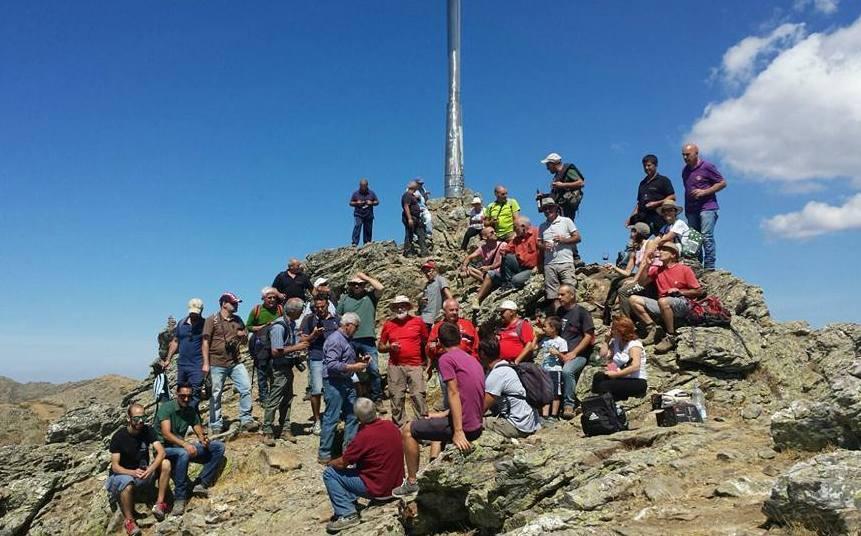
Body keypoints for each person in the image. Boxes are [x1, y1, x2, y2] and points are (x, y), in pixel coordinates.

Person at [393, 323, 485, 498]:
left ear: (439, 342)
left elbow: (453, 392)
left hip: (465, 428)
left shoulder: (446, 359)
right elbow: (469, 396)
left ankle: (412, 482)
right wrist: (443, 414)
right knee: (430, 421)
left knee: (407, 430)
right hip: (476, 422)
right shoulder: (472, 359)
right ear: (459, 338)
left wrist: (458, 431)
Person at [321, 398, 404, 533]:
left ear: (358, 417)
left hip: (379, 489)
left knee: (330, 473)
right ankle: (352, 503)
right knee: (358, 465)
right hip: (397, 485)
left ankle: (347, 514)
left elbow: (343, 463)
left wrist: (330, 462)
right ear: (375, 411)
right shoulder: (391, 426)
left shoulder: (363, 436)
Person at [157, 383, 225, 516]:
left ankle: (201, 483)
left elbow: (197, 426)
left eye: (189, 396)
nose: (186, 399)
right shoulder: (166, 408)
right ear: (177, 394)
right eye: (183, 396)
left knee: (218, 447)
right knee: (183, 453)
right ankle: (180, 498)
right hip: (165, 450)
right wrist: (185, 444)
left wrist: (203, 439)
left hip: (180, 447)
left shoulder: (190, 410)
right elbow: (166, 433)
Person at [106, 403, 172, 535]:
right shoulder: (119, 437)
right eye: (136, 418)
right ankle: (129, 521)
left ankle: (159, 504)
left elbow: (161, 452)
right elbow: (115, 466)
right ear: (128, 418)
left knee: (166, 464)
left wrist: (150, 469)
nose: (140, 421)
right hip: (122, 475)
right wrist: (132, 472)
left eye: (143, 418)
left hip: (142, 473)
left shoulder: (147, 430)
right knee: (127, 483)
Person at [630, 242, 704, 353]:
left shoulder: (684, 269)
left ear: (673, 255)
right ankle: (653, 329)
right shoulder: (657, 270)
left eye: (664, 250)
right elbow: (641, 284)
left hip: (683, 304)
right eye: (660, 249)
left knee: (663, 301)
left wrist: (680, 291)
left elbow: (698, 291)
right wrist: (647, 265)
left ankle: (670, 336)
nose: (660, 252)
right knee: (633, 299)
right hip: (663, 304)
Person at [203, 292, 258, 434]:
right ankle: (215, 424)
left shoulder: (238, 320)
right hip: (216, 362)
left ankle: (246, 419)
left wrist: (243, 336)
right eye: (233, 303)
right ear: (224, 304)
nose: (236, 305)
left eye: (236, 303)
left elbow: (244, 341)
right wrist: (206, 363)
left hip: (235, 361)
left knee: (245, 387)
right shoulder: (212, 320)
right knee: (215, 393)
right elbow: (205, 342)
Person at [319, 312, 369, 464]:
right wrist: (355, 367)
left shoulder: (346, 340)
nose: (357, 330)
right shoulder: (335, 340)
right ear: (348, 325)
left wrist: (360, 360)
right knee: (332, 417)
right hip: (334, 382)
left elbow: (344, 360)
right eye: (356, 326)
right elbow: (332, 364)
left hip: (346, 381)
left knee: (353, 415)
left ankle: (349, 452)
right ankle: (325, 453)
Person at [337, 272, 386, 413]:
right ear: (350, 286)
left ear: (364, 285)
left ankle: (377, 398)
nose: (357, 286)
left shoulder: (370, 297)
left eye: (360, 284)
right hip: (349, 340)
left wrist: (364, 277)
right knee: (348, 369)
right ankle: (351, 400)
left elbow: (381, 288)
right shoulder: (345, 299)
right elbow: (338, 317)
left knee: (373, 370)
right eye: (354, 284)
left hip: (368, 339)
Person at [262, 298, 308, 446]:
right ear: (294, 311)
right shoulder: (279, 327)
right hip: (278, 368)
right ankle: (267, 430)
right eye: (301, 309)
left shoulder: (291, 324)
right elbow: (276, 351)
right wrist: (297, 348)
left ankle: (285, 429)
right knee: (274, 399)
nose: (302, 312)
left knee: (287, 398)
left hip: (287, 366)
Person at [378, 296, 429, 427]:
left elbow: (426, 342)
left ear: (408, 307)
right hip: (395, 366)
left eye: (403, 306)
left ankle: (423, 427)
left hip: (415, 365)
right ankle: (400, 427)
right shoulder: (388, 325)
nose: (400, 309)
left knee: (418, 396)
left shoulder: (418, 322)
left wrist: (428, 362)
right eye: (397, 306)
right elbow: (380, 347)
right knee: (396, 397)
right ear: (394, 309)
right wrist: (390, 347)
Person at [480, 338, 541, 439]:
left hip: (517, 426)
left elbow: (483, 407)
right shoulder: (509, 367)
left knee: (474, 422)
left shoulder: (497, 374)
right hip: (531, 423)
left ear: (482, 354)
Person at [427, 299, 479, 409]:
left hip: (466, 364)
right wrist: (434, 348)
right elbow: (429, 347)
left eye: (456, 310)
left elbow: (476, 345)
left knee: (467, 391)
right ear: (444, 311)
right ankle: (450, 414)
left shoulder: (467, 324)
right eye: (451, 310)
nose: (455, 312)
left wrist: (475, 360)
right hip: (447, 365)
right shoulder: (438, 327)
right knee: (449, 392)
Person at [682, 143, 727, 271]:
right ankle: (696, 265)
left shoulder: (707, 166)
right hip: (692, 209)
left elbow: (722, 183)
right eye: (683, 155)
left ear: (696, 153)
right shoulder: (685, 171)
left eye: (688, 154)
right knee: (694, 237)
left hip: (707, 207)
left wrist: (704, 192)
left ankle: (709, 266)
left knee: (706, 235)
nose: (685, 157)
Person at [300, 294, 341, 435]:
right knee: (316, 390)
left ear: (328, 305)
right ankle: (317, 421)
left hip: (334, 358)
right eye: (317, 307)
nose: (320, 309)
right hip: (316, 357)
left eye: (322, 306)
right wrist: (314, 335)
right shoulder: (309, 319)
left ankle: (332, 418)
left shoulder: (337, 319)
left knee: (333, 389)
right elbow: (303, 340)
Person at [555, 284, 595, 419]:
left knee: (567, 371)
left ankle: (569, 404)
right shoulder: (560, 311)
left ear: (572, 295)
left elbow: (588, 336)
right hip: (561, 352)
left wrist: (574, 353)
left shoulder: (582, 312)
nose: (559, 297)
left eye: (562, 294)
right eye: (558, 294)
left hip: (579, 354)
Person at [540, 152, 586, 264]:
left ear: (553, 163)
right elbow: (556, 194)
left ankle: (575, 258)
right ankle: (571, 257)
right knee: (562, 230)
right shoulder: (557, 175)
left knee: (567, 230)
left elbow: (581, 183)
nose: (547, 168)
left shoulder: (567, 170)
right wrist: (544, 196)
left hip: (567, 205)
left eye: (548, 165)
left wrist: (562, 185)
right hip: (560, 206)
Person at [537, 197, 580, 312]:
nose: (547, 210)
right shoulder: (542, 226)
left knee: (570, 292)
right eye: (545, 209)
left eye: (550, 208)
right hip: (549, 264)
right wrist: (544, 246)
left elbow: (577, 238)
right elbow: (538, 243)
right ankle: (558, 318)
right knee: (553, 296)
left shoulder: (566, 221)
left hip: (565, 262)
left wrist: (563, 240)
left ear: (556, 208)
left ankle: (572, 317)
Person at [603, 223, 651, 324]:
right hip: (640, 278)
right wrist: (614, 267)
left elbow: (644, 263)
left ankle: (625, 321)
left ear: (640, 233)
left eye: (633, 231)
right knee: (616, 280)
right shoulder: (635, 250)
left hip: (648, 280)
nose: (631, 234)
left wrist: (634, 280)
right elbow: (627, 272)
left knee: (622, 291)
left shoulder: (649, 243)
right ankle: (608, 309)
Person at [592, 316, 648, 401]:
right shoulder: (616, 342)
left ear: (620, 331)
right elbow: (603, 355)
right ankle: (597, 401)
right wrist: (606, 341)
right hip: (621, 378)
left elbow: (635, 366)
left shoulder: (634, 345)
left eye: (613, 328)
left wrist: (616, 374)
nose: (610, 330)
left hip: (636, 380)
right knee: (598, 376)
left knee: (605, 385)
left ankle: (604, 403)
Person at [163, 299, 205, 409]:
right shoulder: (181, 323)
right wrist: (168, 359)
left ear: (201, 311)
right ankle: (187, 416)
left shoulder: (205, 325)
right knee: (182, 394)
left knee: (195, 393)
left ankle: (190, 415)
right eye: (192, 312)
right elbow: (175, 341)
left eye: (196, 313)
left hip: (197, 365)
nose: (194, 315)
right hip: (182, 365)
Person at [246, 288, 284, 405]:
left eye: (274, 297)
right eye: (269, 297)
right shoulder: (257, 310)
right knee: (262, 371)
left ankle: (274, 395)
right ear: (263, 298)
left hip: (276, 342)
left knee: (275, 369)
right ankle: (264, 397)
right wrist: (263, 327)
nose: (272, 300)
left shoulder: (280, 309)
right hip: (261, 344)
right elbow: (249, 326)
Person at [627, 154, 676, 236]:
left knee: (662, 239)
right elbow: (639, 203)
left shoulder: (663, 180)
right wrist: (630, 217)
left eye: (649, 165)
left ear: (655, 165)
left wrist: (656, 203)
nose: (646, 168)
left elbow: (672, 197)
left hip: (659, 217)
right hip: (643, 218)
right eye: (644, 166)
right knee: (637, 239)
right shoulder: (642, 183)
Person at [536, 316, 567, 419]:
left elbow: (564, 358)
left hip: (555, 370)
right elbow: (535, 347)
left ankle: (553, 415)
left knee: (555, 393)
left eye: (545, 326)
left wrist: (557, 353)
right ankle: (545, 415)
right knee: (545, 392)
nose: (543, 328)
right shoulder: (545, 340)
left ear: (553, 328)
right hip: (544, 370)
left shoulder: (561, 341)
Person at [419, 261, 453, 327]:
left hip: (434, 318)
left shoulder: (440, 279)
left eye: (429, 271)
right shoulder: (427, 285)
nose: (427, 274)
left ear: (435, 270)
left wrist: (452, 307)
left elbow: (447, 293)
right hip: (424, 317)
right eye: (425, 272)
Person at [401, 180, 428, 257]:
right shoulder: (407, 195)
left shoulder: (412, 196)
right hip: (411, 217)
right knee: (409, 234)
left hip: (416, 218)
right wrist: (409, 218)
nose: (410, 183)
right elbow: (406, 206)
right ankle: (407, 252)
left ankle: (424, 252)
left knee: (421, 233)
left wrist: (419, 210)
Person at [350, 178, 379, 246]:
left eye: (364, 186)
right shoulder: (355, 193)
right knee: (357, 226)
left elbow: (377, 202)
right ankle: (354, 242)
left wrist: (371, 202)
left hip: (368, 214)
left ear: (367, 185)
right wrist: (357, 203)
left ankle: (367, 242)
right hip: (358, 214)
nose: (363, 188)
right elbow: (350, 203)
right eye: (362, 186)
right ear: (359, 185)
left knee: (368, 229)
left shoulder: (371, 193)